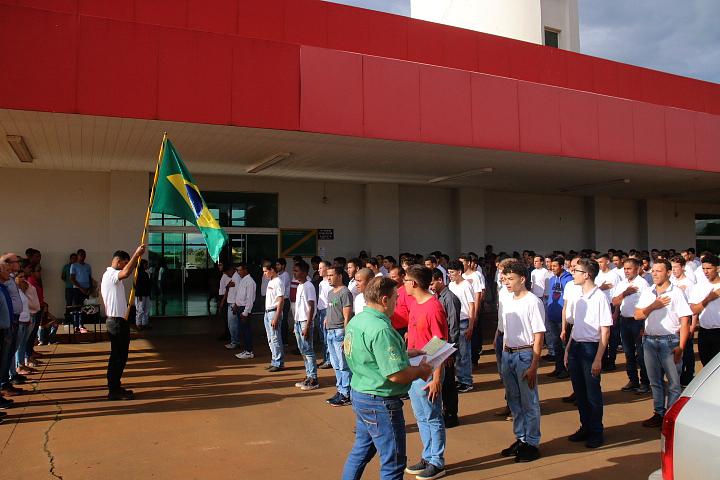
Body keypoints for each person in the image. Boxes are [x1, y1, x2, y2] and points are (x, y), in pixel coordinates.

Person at [341, 277, 433, 480]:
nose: (397, 303)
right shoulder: (382, 329)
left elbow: (369, 354)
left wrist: (405, 353)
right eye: (395, 298)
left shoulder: (358, 321)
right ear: (384, 300)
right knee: (394, 461)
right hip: (380, 400)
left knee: (361, 451)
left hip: (361, 393)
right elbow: (396, 374)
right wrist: (421, 371)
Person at [635, 258, 692, 428]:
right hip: (650, 341)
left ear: (668, 273)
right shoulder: (648, 291)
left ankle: (670, 416)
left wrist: (681, 347)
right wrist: (654, 305)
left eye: (658, 271)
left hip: (669, 342)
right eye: (653, 270)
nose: (654, 274)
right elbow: (638, 315)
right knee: (655, 381)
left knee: (674, 383)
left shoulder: (676, 293)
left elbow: (685, 321)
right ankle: (658, 413)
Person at [404, 266, 448, 479]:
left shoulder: (434, 307)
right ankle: (427, 455)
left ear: (414, 283)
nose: (403, 284)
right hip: (414, 368)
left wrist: (436, 377)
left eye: (405, 280)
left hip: (428, 369)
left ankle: (437, 461)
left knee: (432, 416)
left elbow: (439, 344)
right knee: (421, 415)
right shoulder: (414, 304)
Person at [498, 262, 545, 462]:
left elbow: (538, 335)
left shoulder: (533, 302)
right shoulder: (507, 300)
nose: (507, 283)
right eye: (505, 279)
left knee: (529, 401)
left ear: (522, 279)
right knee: (514, 399)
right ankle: (521, 437)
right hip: (508, 353)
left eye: (511, 279)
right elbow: (505, 330)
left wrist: (534, 365)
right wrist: (503, 352)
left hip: (525, 354)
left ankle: (532, 442)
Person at [564, 258, 612, 448]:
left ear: (587, 275)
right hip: (576, 346)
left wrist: (598, 358)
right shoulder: (578, 296)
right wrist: (568, 349)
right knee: (580, 392)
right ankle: (585, 426)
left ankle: (596, 431)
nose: (573, 273)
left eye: (576, 270)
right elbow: (575, 326)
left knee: (592, 393)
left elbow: (605, 331)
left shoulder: (599, 297)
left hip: (591, 348)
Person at [101, 245, 145, 401]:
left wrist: (135, 260)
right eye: (125, 263)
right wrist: (136, 254)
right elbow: (126, 273)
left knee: (120, 356)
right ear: (118, 261)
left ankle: (116, 386)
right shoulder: (111, 274)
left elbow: (127, 271)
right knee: (117, 357)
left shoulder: (113, 276)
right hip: (116, 322)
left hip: (119, 320)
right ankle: (113, 389)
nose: (126, 266)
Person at [611, 258, 650, 394]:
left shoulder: (643, 284)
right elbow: (615, 301)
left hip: (638, 322)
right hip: (625, 321)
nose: (627, 271)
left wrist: (644, 327)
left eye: (629, 268)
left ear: (637, 269)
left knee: (641, 354)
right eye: (625, 269)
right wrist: (625, 293)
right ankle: (633, 380)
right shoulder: (622, 284)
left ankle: (645, 382)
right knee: (628, 353)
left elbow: (647, 306)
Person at [430, 268, 460, 428]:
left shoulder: (450, 299)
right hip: (439, 345)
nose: (431, 287)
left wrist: (449, 352)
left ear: (440, 280)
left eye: (433, 283)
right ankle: (446, 410)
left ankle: (451, 414)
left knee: (448, 382)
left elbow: (454, 327)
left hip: (447, 347)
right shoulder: (437, 297)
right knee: (443, 379)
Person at [325, 265, 353, 406]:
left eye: (331, 275)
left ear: (340, 276)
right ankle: (340, 389)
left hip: (339, 332)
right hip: (330, 331)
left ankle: (346, 393)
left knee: (343, 365)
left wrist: (346, 336)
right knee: (336, 364)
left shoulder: (345, 292)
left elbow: (347, 316)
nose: (328, 278)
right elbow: (329, 309)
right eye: (327, 275)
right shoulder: (330, 293)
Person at [447, 260, 475, 393]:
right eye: (449, 272)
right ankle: (460, 378)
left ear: (459, 272)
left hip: (464, 321)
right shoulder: (451, 285)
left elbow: (471, 305)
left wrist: (471, 325)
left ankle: (467, 381)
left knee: (464, 353)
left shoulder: (466, 285)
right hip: (454, 322)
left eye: (452, 272)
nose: (450, 275)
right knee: (456, 353)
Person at [292, 261, 319, 391]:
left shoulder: (309, 286)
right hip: (299, 322)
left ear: (303, 272)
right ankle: (308, 375)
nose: (294, 273)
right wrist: (295, 323)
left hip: (305, 322)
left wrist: (307, 326)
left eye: (296, 271)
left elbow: (311, 306)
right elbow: (299, 307)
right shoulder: (300, 286)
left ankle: (313, 378)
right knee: (303, 350)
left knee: (308, 350)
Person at [689, 254, 720, 366]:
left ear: (717, 268)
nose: (705, 272)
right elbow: (693, 310)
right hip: (704, 332)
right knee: (706, 366)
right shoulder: (699, 287)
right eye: (703, 268)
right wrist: (708, 299)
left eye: (709, 268)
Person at [546, 256, 572, 379]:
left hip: (563, 318)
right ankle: (558, 367)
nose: (553, 268)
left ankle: (567, 369)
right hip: (552, 316)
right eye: (552, 266)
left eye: (555, 266)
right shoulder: (551, 279)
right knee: (556, 344)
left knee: (564, 345)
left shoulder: (569, 280)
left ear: (562, 266)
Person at [263, 261, 285, 372]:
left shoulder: (278, 281)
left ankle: (279, 362)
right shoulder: (271, 281)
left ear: (272, 270)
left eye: (266, 271)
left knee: (275, 338)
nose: (264, 274)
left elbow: (281, 300)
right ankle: (274, 360)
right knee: (270, 338)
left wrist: (276, 316)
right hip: (268, 312)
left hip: (274, 312)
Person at [70, 248, 93, 334]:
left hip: (86, 290)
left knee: (84, 308)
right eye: (81, 255)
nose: (83, 257)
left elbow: (90, 278)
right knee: (76, 308)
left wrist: (90, 288)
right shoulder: (74, 265)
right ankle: (76, 326)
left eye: (84, 255)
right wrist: (81, 288)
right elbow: (72, 279)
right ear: (78, 256)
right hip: (77, 289)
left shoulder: (88, 266)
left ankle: (81, 325)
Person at [134, 259, 151, 330]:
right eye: (145, 264)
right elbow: (137, 286)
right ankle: (138, 324)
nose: (147, 266)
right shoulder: (138, 274)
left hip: (146, 294)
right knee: (140, 310)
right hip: (140, 295)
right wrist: (139, 295)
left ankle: (145, 323)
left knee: (146, 309)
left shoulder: (145, 274)